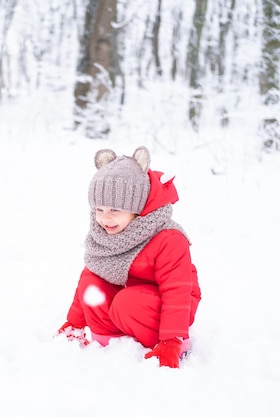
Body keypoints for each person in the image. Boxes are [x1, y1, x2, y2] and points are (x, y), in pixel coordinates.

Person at [57, 146, 201, 368]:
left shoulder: (168, 239)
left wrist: (173, 339)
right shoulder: (104, 234)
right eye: (99, 209)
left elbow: (177, 291)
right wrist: (74, 322)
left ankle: (170, 345)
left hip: (168, 308)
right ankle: (110, 341)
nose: (105, 219)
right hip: (128, 300)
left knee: (128, 303)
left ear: (137, 208)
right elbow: (91, 274)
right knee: (91, 283)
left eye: (115, 210)